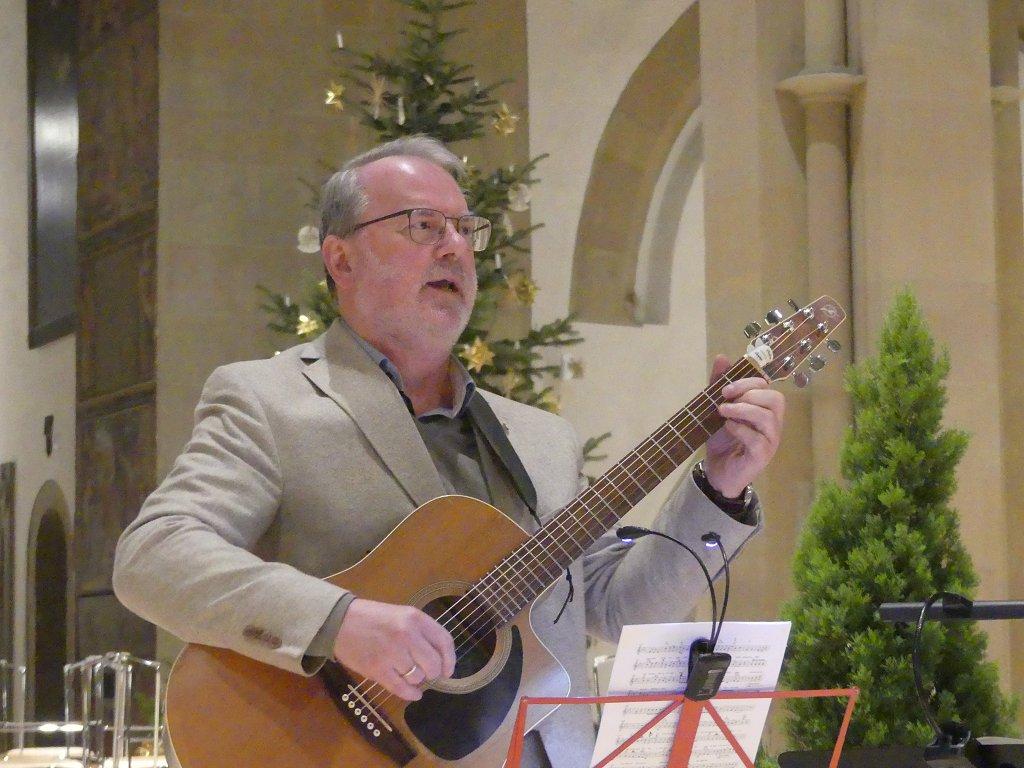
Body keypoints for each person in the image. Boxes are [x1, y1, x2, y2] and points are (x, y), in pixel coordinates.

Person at [113, 135, 785, 768]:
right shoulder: (270, 402)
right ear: (340, 258)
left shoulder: (541, 440)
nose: (455, 249)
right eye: (422, 226)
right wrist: (341, 623)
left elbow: (612, 609)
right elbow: (155, 555)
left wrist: (719, 489)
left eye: (466, 230)